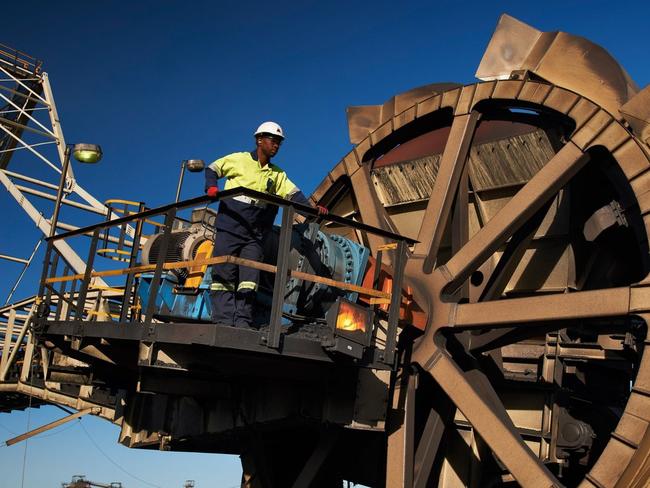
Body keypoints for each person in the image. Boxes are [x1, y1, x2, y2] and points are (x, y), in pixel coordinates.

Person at [205, 121, 327, 328]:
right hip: (230, 226)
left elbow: (294, 195)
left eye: (279, 142)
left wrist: (313, 211)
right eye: (273, 140)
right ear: (259, 140)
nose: (276, 145)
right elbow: (213, 168)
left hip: (254, 233)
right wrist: (211, 187)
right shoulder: (239, 159)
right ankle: (223, 320)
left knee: (250, 278)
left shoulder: (278, 175)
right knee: (223, 273)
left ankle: (242, 321)